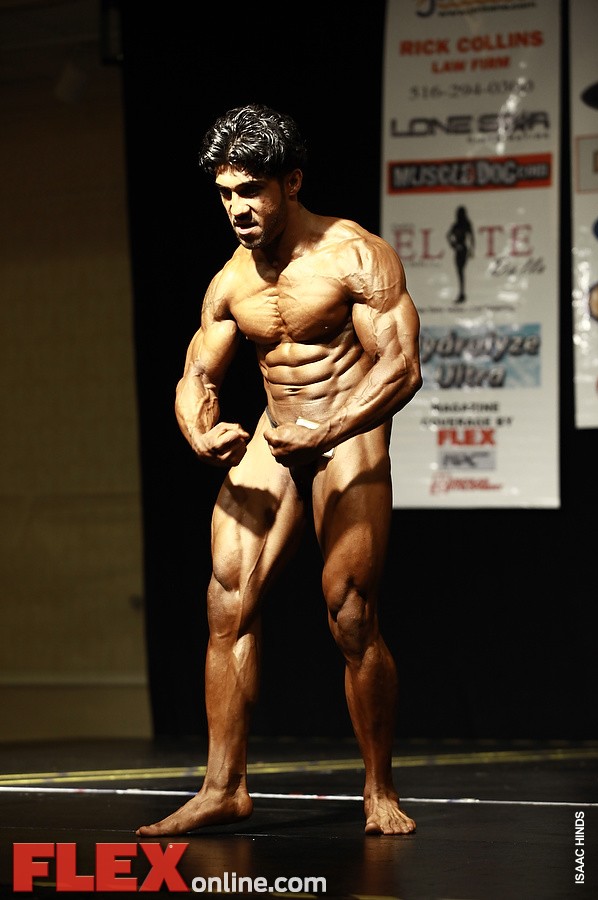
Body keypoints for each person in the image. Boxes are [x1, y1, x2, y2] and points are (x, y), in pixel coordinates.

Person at [136, 103, 422, 837]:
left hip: (348, 429)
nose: (237, 208)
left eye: (251, 190)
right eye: (225, 193)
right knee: (225, 601)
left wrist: (328, 427)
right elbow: (197, 374)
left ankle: (379, 788)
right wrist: (198, 429)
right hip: (276, 431)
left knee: (350, 612)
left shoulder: (354, 255)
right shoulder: (231, 281)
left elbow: (400, 366)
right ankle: (223, 787)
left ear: (291, 182)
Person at [446, 205, 475, 303]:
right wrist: (454, 245)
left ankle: (462, 293)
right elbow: (448, 235)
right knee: (460, 272)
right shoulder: (459, 225)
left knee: (461, 271)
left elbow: (471, 237)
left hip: (462, 249)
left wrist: (470, 250)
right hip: (460, 249)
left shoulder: (462, 224)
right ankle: (461, 293)